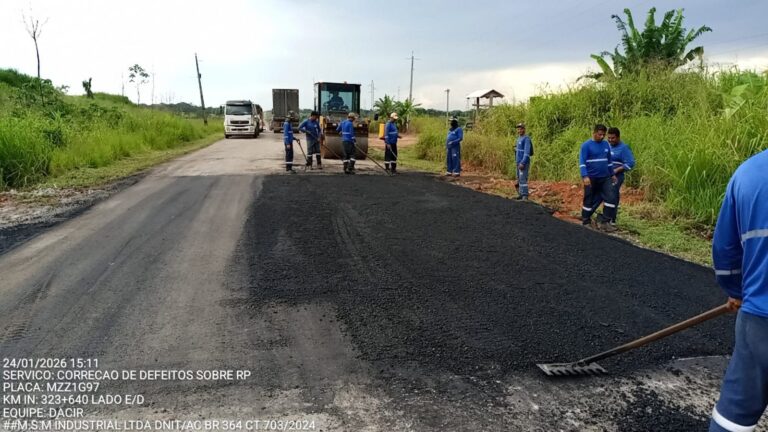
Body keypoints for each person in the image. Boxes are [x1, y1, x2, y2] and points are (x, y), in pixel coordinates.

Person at [709, 149, 768, 432]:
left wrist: (736, 290)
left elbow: (725, 250)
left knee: (733, 418)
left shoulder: (749, 173)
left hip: (759, 320)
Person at [579, 124, 618, 232]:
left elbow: (609, 162)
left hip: (605, 177)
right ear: (594, 133)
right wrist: (585, 176)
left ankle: (605, 222)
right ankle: (586, 220)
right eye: (599, 134)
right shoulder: (586, 145)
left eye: (603, 135)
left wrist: (612, 174)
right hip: (591, 178)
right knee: (589, 199)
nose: (601, 137)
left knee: (611, 197)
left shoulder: (606, 145)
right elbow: (582, 162)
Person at [592, 127, 635, 223]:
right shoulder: (607, 146)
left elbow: (630, 163)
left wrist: (616, 170)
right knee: (598, 194)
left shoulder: (624, 148)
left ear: (618, 137)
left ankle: (610, 219)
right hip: (604, 175)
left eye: (613, 138)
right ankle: (587, 214)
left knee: (611, 196)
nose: (610, 140)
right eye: (609, 138)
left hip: (616, 176)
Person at [515, 123, 533, 200]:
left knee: (523, 179)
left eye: (521, 129)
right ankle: (521, 194)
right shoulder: (519, 138)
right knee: (519, 178)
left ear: (524, 129)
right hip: (518, 162)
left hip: (523, 163)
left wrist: (523, 163)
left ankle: (525, 195)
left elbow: (527, 153)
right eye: (518, 129)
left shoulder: (526, 139)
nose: (519, 130)